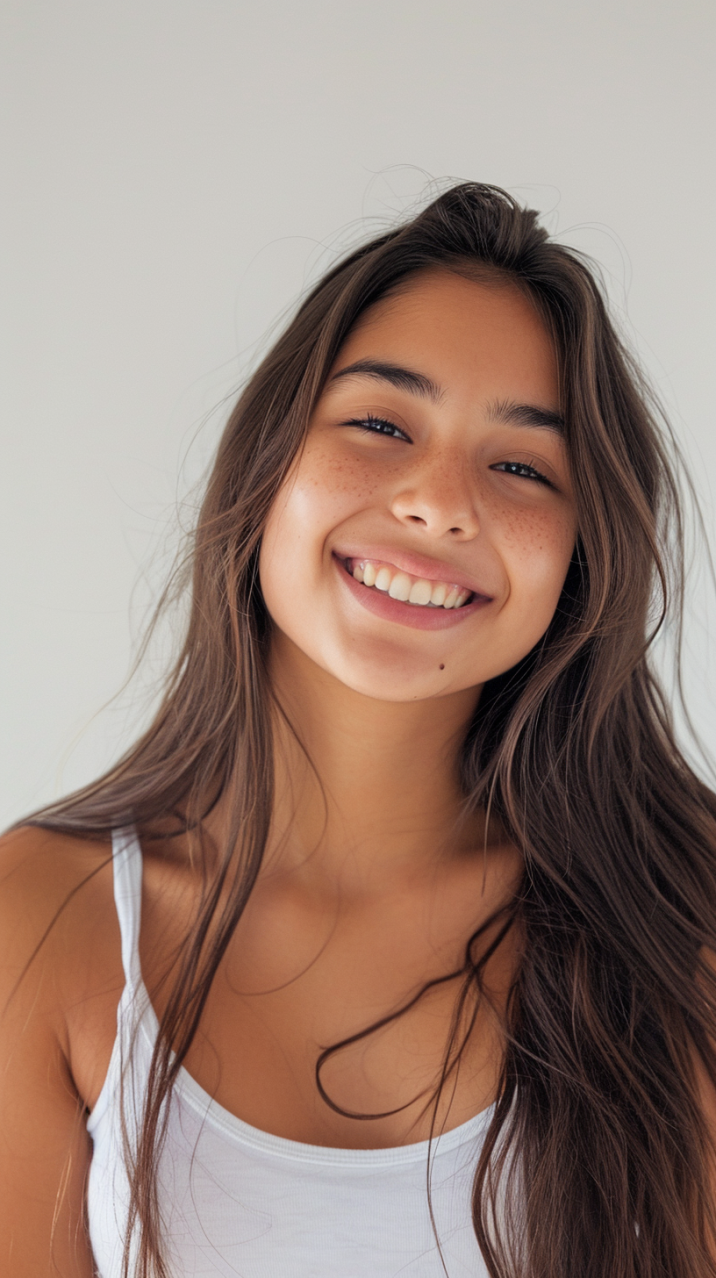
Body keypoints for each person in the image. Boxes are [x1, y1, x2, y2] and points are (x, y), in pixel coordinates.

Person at [2, 182, 716, 1278]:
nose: (437, 501)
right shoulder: (41, 921)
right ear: (268, 464)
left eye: (520, 466)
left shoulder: (682, 919)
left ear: (581, 557)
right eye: (381, 424)